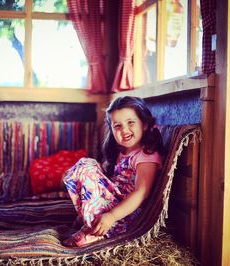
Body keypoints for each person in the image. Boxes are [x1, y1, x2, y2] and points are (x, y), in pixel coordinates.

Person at [62, 96, 164, 247]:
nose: (124, 130)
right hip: (113, 204)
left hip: (127, 214)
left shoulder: (146, 156)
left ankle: (99, 230)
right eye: (117, 126)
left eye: (131, 122)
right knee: (88, 164)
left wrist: (111, 216)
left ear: (144, 124)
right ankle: (94, 225)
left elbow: (141, 192)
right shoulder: (123, 152)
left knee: (86, 166)